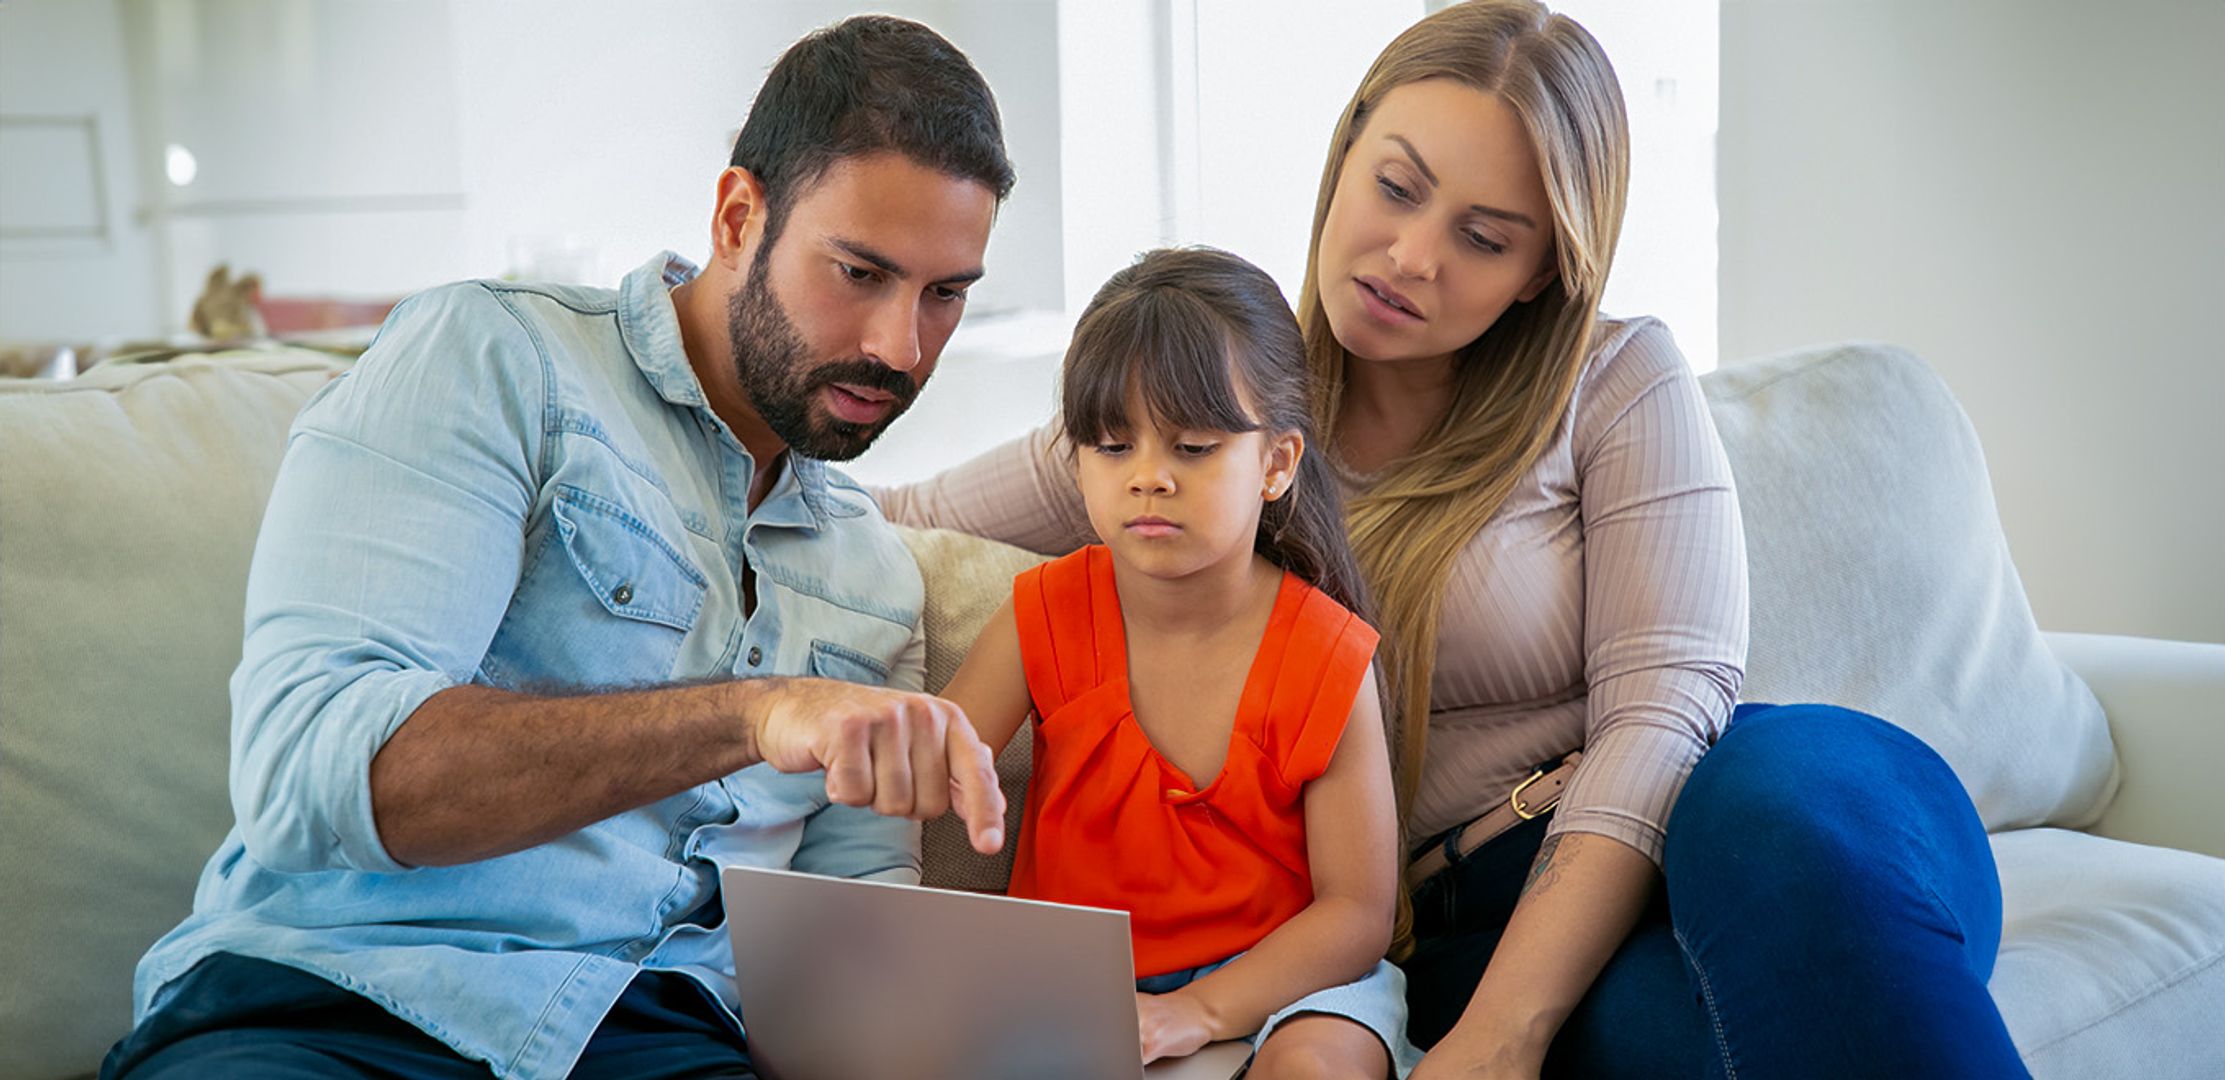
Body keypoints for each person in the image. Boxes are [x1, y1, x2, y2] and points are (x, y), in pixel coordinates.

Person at [878, 3, 2027, 1077]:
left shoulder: (1614, 380)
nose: (1409, 256)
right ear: (1342, 160)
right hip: (1455, 924)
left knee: (1778, 817)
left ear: (1542, 275)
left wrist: (1499, 1036)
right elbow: (902, 520)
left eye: (1482, 237)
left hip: (1758, 822)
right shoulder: (1211, 409)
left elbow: (1667, 711)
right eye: (1393, 187)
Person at [103, 16, 1013, 1080]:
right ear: (736, 216)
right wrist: (757, 714)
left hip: (662, 1047)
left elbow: (855, 940)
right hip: (336, 1010)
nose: (900, 348)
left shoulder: (869, 571)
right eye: (859, 272)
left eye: (944, 294)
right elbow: (312, 767)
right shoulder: (495, 359)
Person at [938, 248, 1414, 1078]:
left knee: (1323, 1064)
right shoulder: (1041, 614)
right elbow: (927, 764)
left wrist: (1198, 1011)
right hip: (1079, 983)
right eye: (1114, 447)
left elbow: (1354, 914)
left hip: (1285, 984)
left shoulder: (1328, 656)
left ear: (1275, 464)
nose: (1149, 479)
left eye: (1192, 448)